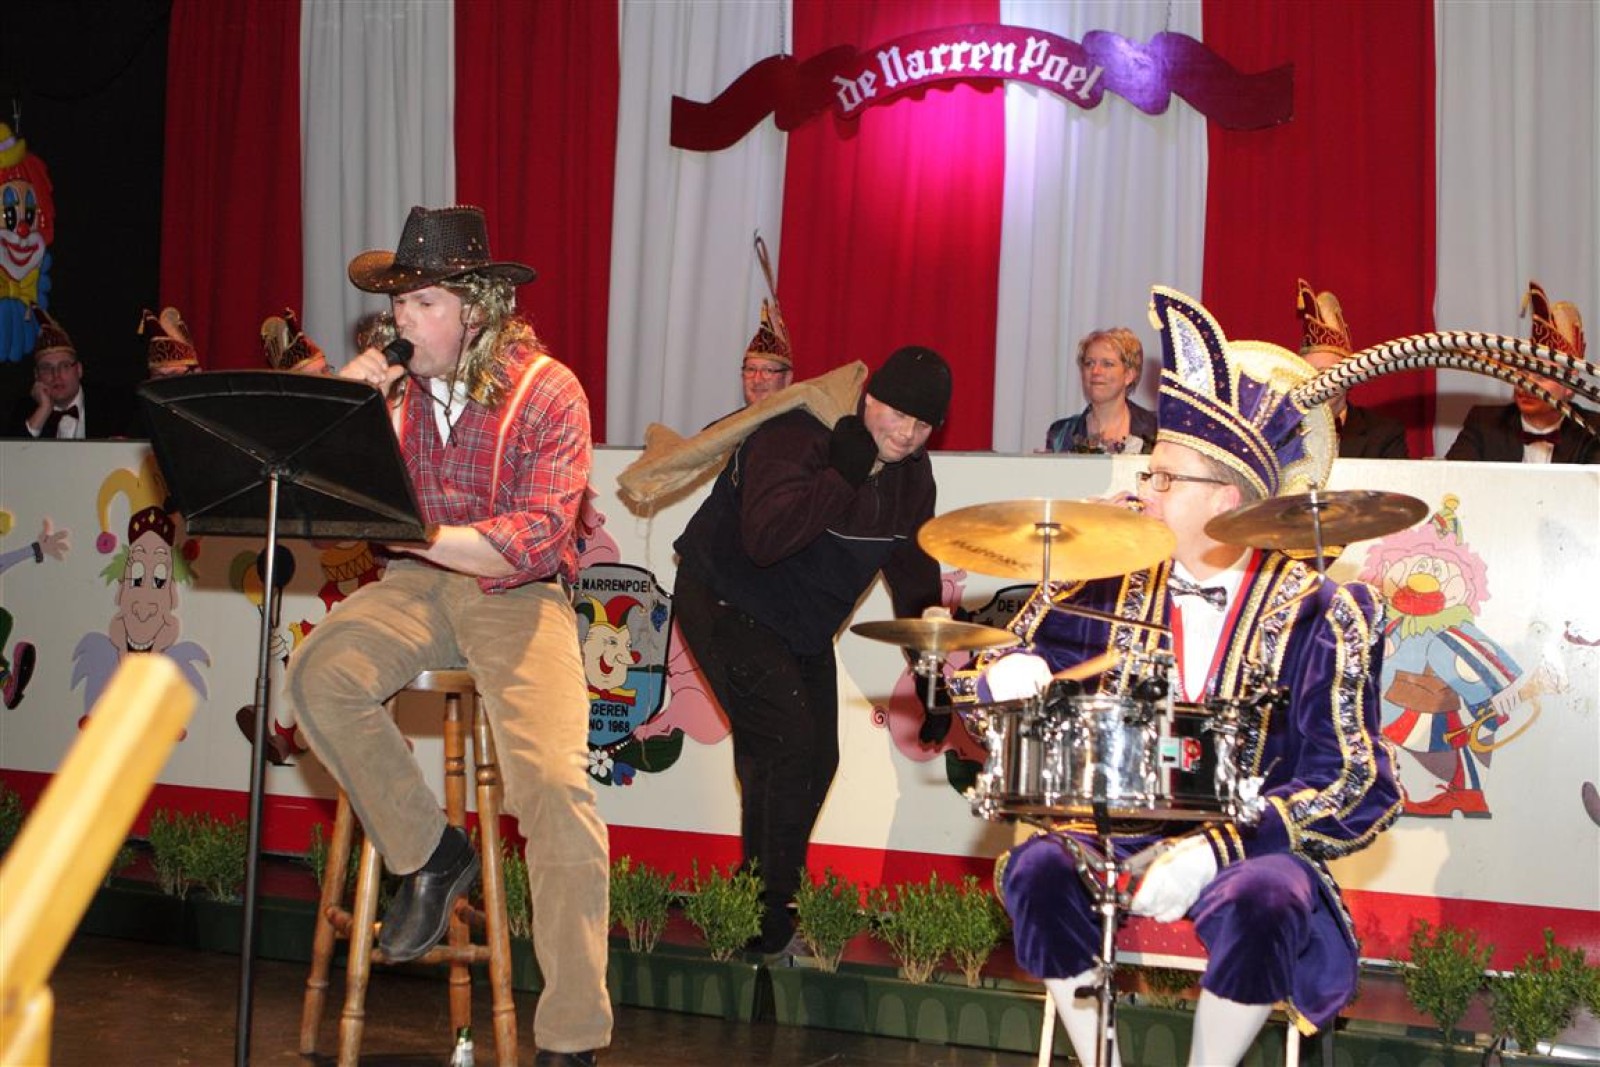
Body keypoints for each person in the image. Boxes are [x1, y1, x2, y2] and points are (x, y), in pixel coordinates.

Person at [984, 288, 1400, 1067]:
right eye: (1148, 472)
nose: (1143, 487)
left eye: (1165, 478)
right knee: (1038, 868)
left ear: (1227, 499)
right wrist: (1012, 671)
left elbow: (1354, 781)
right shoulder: (1105, 577)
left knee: (1268, 896)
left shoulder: (1321, 610)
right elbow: (995, 666)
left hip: (1251, 849)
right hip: (1116, 831)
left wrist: (1219, 848)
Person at [282, 205, 611, 1066]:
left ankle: (572, 1037)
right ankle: (432, 853)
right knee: (318, 674)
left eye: (422, 302)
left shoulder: (550, 391)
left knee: (554, 787)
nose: (403, 320)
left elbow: (535, 537)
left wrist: (419, 532)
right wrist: (346, 417)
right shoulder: (398, 390)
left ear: (477, 308)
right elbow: (336, 510)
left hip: (518, 593)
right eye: (399, 303)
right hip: (418, 583)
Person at [672, 344, 951, 954]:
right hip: (725, 596)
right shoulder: (797, 434)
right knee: (785, 743)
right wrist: (840, 477)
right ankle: (766, 920)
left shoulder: (912, 476)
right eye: (897, 414)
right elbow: (766, 540)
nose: (906, 434)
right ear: (869, 398)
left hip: (798, 620)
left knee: (815, 757)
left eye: (923, 424)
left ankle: (756, 903)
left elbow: (915, 580)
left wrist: (931, 678)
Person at [1445, 281, 1598, 464]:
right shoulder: (1484, 423)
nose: (1526, 385)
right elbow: (1453, 477)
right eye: (1522, 373)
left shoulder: (1593, 431)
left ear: (1569, 385)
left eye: (1541, 376)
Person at [1295, 279, 1409, 459]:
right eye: (1307, 374)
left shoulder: (1383, 434)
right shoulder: (1279, 432)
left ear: (1348, 380)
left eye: (1324, 374)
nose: (1315, 384)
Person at [10, 307, 136, 439]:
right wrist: (44, 409)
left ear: (79, 370)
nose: (56, 375)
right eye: (47, 368)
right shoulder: (25, 409)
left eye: (64, 366)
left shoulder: (113, 405)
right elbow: (12, 450)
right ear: (36, 376)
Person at [1043, 327, 1157, 454]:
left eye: (1107, 364)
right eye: (1089, 363)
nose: (1095, 371)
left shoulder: (1158, 430)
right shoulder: (1060, 434)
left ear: (1129, 375)